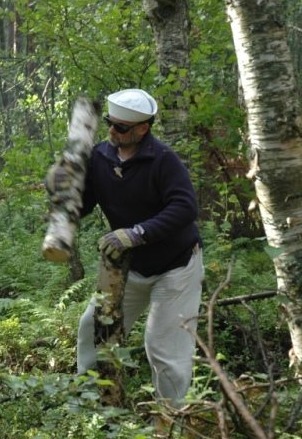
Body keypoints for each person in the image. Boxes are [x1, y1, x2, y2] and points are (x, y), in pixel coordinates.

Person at [47, 88, 204, 405]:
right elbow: (84, 203)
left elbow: (185, 208)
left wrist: (137, 233)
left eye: (120, 127)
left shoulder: (163, 160)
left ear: (142, 128)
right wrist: (58, 187)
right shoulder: (101, 157)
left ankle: (171, 421)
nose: (111, 131)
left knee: (162, 346)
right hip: (130, 267)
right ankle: (90, 403)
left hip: (176, 267)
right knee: (93, 327)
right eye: (110, 123)